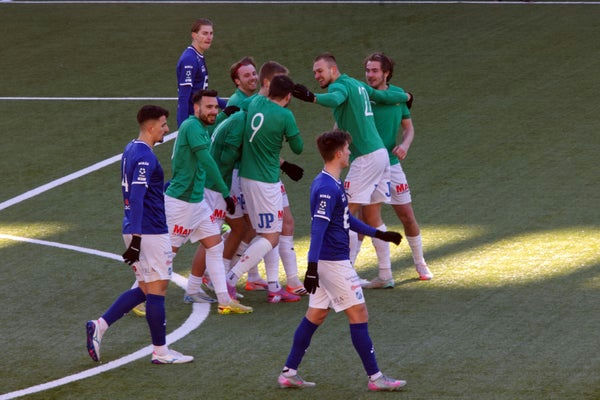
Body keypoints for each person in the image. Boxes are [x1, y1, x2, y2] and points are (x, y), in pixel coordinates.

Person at [277, 130, 406, 391]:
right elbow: (318, 229)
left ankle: (289, 372)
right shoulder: (327, 187)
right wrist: (312, 267)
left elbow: (345, 219)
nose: (349, 152)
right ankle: (376, 378)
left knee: (316, 314)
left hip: (327, 262)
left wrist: (380, 234)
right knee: (359, 313)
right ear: (338, 154)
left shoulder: (331, 182)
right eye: (347, 149)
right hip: (333, 262)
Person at [86, 105, 193, 364]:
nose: (167, 129)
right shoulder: (146, 157)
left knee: (145, 287)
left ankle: (99, 325)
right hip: (148, 231)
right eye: (163, 125)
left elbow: (144, 191)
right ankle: (161, 352)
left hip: (137, 229)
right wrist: (136, 239)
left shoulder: (131, 148)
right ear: (150, 126)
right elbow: (136, 197)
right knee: (158, 288)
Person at [292, 52, 411, 283]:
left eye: (320, 71)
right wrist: (406, 96)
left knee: (343, 214)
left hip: (366, 158)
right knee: (373, 216)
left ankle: (344, 274)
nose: (317, 76)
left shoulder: (339, 87)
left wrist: (312, 98)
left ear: (333, 69)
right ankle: (385, 275)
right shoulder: (357, 84)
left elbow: (335, 99)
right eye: (314, 72)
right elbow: (384, 95)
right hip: (381, 156)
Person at [166, 89, 253, 315]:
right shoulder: (192, 127)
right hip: (182, 203)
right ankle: (138, 295)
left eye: (216, 107)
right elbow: (207, 161)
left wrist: (222, 116)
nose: (214, 111)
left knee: (214, 246)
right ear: (196, 108)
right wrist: (225, 193)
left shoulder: (199, 126)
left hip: (196, 202)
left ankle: (223, 299)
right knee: (166, 255)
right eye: (209, 107)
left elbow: (210, 139)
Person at [225, 74, 304, 304]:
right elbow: (298, 147)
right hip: (266, 182)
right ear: (288, 96)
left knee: (266, 232)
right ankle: (230, 278)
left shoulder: (257, 101)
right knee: (271, 236)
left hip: (246, 177)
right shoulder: (286, 115)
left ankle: (274, 287)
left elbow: (240, 105)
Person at [360, 52, 432, 287]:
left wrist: (404, 145)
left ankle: (420, 263)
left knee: (407, 216)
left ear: (386, 73)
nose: (370, 75)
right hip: (369, 166)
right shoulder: (363, 96)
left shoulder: (397, 96)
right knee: (366, 218)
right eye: (367, 70)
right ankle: (380, 274)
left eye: (374, 71)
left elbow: (408, 128)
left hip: (392, 165)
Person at [176, 18, 227, 128]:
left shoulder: (197, 56)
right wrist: (183, 127)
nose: (209, 37)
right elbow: (183, 98)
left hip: (198, 119)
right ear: (194, 35)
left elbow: (200, 92)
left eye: (211, 33)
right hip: (192, 120)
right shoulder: (189, 59)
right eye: (205, 33)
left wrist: (226, 105)